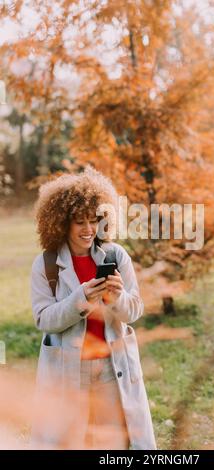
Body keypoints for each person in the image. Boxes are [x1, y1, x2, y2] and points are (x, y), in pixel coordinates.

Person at [30, 166, 156, 450]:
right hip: (68, 370)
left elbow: (134, 310)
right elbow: (43, 319)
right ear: (62, 222)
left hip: (112, 367)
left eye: (93, 220)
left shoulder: (115, 254)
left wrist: (117, 297)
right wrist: (80, 299)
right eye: (79, 222)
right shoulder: (46, 264)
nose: (88, 230)